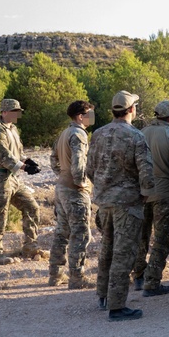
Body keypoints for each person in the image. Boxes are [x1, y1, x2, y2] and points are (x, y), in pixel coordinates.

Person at [87, 91, 154, 321]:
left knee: (107, 249)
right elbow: (146, 171)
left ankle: (103, 296)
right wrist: (144, 194)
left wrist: (103, 188)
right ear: (132, 109)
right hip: (127, 203)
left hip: (105, 202)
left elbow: (89, 169)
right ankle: (117, 306)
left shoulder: (98, 134)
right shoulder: (135, 136)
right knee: (123, 254)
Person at [132, 100, 169, 297]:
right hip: (165, 194)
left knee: (140, 236)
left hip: (142, 193)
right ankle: (152, 282)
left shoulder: (140, 133)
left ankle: (138, 275)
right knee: (162, 239)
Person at [0, 98, 45, 265]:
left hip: (12, 178)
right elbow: (3, 155)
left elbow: (17, 152)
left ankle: (30, 247)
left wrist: (28, 160)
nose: (18, 114)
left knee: (31, 207)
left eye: (18, 111)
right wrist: (24, 167)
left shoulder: (13, 129)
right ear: (4, 112)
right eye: (14, 111)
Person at [48, 100, 96, 288]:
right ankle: (77, 278)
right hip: (74, 191)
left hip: (61, 187)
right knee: (81, 234)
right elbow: (79, 163)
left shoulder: (64, 133)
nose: (91, 117)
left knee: (62, 232)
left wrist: (63, 176)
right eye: (89, 114)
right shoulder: (78, 134)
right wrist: (81, 182)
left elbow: (53, 159)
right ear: (80, 116)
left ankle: (55, 275)